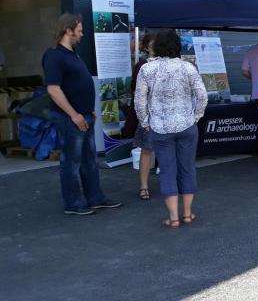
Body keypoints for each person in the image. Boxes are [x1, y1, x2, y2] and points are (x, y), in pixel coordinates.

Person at [42, 14, 123, 215]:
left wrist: (89, 110)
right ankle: (73, 204)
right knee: (71, 162)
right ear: (68, 30)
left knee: (89, 160)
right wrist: (74, 115)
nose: (82, 34)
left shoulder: (73, 55)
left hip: (84, 115)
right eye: (79, 30)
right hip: (70, 118)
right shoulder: (54, 56)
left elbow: (77, 85)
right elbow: (53, 89)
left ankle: (95, 198)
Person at [134, 29, 208, 228]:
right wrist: (196, 116)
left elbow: (139, 101)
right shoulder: (188, 68)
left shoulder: (147, 70)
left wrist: (146, 123)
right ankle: (187, 214)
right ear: (177, 46)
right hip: (186, 125)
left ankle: (173, 217)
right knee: (187, 168)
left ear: (156, 46)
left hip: (160, 128)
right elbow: (202, 95)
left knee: (167, 170)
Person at [127, 32, 156, 200]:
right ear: (146, 47)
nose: (154, 46)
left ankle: (171, 183)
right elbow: (136, 91)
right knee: (146, 150)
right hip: (148, 115)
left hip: (163, 115)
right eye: (151, 44)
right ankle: (144, 186)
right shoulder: (141, 65)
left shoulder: (165, 63)